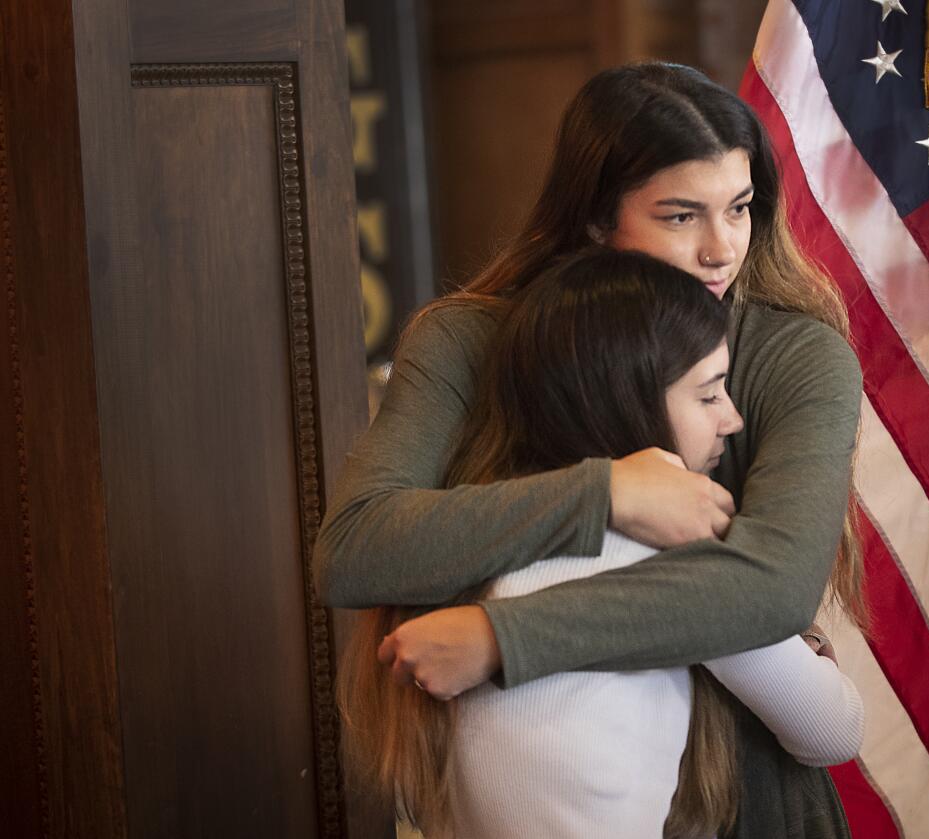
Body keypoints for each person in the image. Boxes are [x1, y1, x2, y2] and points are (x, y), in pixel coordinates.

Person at [315, 61, 866, 839]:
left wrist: (502, 637)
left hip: (752, 800)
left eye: (739, 208)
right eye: (680, 216)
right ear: (594, 221)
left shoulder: (795, 352)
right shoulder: (468, 338)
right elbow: (355, 549)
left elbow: (771, 591)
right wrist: (604, 493)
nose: (721, 249)